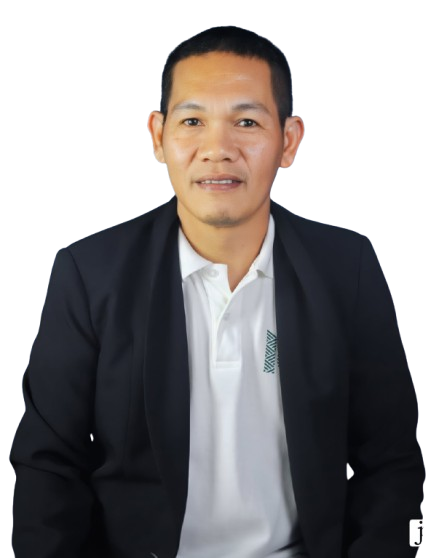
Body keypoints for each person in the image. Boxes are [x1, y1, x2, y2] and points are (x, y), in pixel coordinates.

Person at [9, 26, 425, 558]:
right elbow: (48, 465)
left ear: (289, 140)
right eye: (192, 121)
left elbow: (391, 460)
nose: (218, 150)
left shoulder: (347, 268)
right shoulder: (90, 274)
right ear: (158, 135)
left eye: (246, 122)